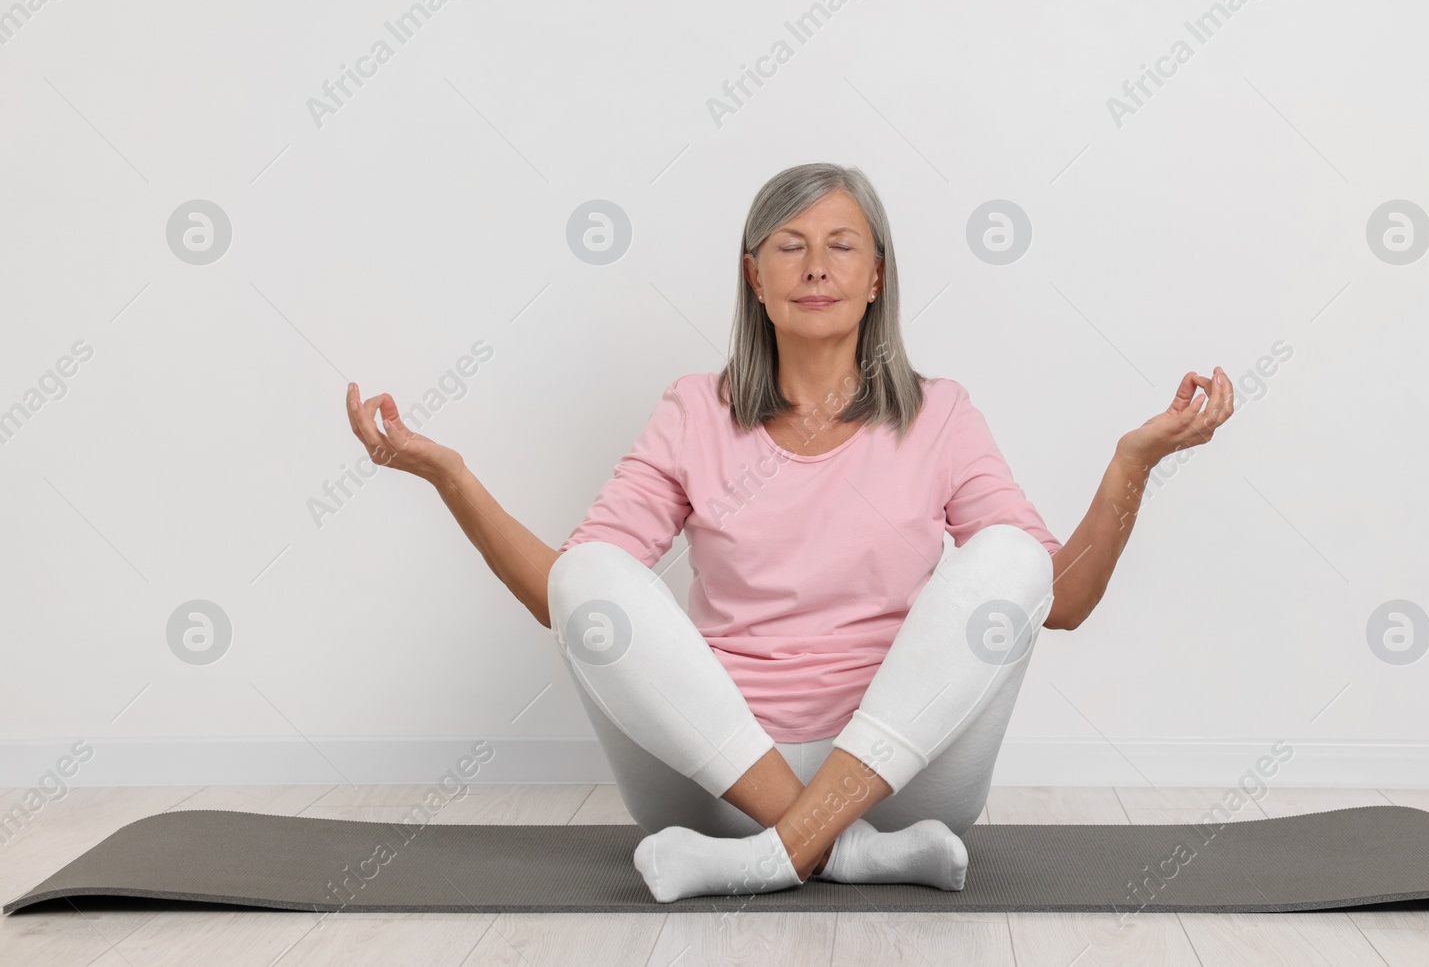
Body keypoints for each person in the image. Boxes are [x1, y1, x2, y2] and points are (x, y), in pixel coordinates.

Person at [344, 162, 1234, 903]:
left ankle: (778, 855)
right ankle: (842, 851)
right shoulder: (697, 410)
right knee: (590, 573)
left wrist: (1132, 464)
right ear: (755, 276)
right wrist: (449, 476)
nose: (817, 266)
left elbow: (1058, 599)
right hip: (715, 776)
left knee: (1009, 557)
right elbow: (579, 607)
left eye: (841, 245)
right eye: (791, 247)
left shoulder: (941, 416)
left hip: (903, 777)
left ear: (877, 274)